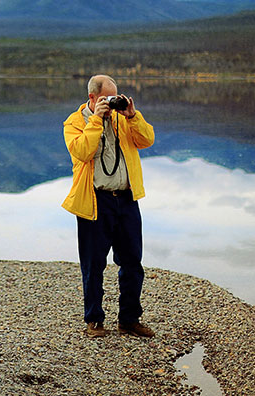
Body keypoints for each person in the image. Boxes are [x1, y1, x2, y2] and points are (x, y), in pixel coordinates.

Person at [61, 75, 155, 338]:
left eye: (116, 96)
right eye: (107, 98)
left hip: (126, 199)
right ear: (92, 98)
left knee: (132, 262)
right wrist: (96, 121)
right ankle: (94, 321)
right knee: (93, 264)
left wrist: (132, 116)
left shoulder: (121, 118)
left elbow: (147, 140)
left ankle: (129, 319)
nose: (112, 102)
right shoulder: (74, 122)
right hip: (95, 200)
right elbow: (82, 152)